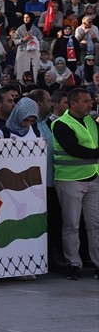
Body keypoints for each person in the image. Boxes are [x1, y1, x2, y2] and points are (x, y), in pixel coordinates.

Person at [50, 87, 99, 280]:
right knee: (71, 224)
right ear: (73, 103)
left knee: (95, 225)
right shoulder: (62, 124)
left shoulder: (90, 122)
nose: (91, 104)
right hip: (70, 180)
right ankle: (74, 264)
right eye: (86, 101)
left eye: (90, 100)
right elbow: (74, 149)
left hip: (93, 178)